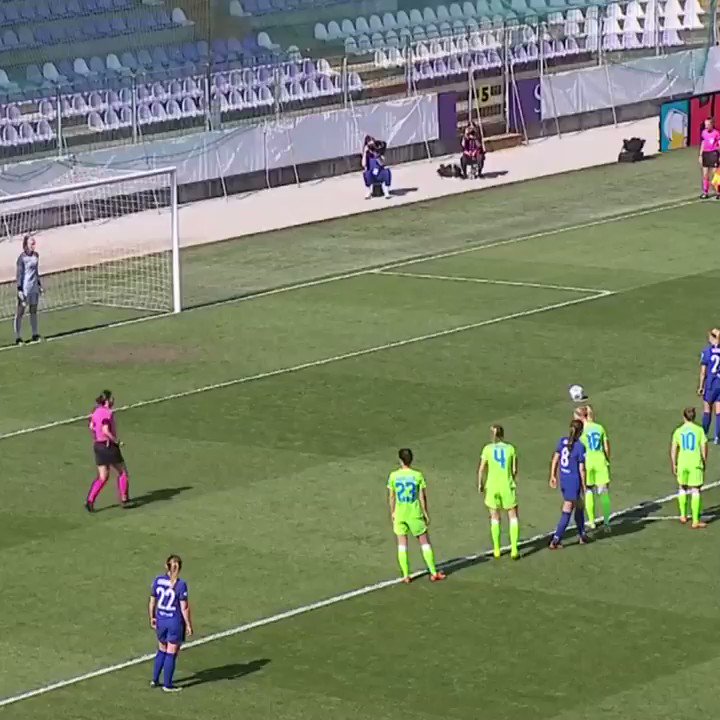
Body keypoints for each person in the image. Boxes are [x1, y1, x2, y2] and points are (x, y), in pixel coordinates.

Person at [387, 448, 445, 583]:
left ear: (400, 460)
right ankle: (433, 572)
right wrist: (425, 513)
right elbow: (422, 497)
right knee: (424, 543)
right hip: (414, 514)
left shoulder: (393, 476)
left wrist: (393, 512)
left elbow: (391, 497)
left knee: (402, 544)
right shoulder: (417, 475)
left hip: (400, 514)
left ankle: (406, 575)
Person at [149, 554, 193, 692]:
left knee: (162, 649)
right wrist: (189, 624)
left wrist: (152, 617)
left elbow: (152, 602)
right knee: (171, 652)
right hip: (174, 622)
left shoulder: (158, 581)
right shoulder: (181, 585)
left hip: (161, 620)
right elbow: (184, 607)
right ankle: (167, 685)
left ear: (166, 566)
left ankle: (155, 680)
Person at [478, 424, 519, 559]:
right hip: (507, 486)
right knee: (512, 516)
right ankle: (514, 549)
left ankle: (497, 549)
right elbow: (514, 470)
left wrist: (480, 484)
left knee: (495, 517)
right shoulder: (510, 449)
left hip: (492, 486)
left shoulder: (487, 449)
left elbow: (481, 469)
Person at [85, 390, 130, 512]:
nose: (113, 400)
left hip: (98, 446)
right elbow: (105, 429)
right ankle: (124, 498)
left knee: (103, 477)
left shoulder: (95, 412)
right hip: (108, 445)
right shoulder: (107, 413)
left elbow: (92, 426)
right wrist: (116, 441)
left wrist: (97, 435)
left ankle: (90, 500)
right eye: (112, 398)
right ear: (107, 400)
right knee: (123, 472)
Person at [549, 419, 588, 549]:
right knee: (568, 508)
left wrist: (553, 475)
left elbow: (555, 459)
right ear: (581, 432)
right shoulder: (580, 447)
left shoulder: (562, 441)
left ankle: (582, 535)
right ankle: (556, 539)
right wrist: (584, 486)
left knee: (580, 505)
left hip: (564, 479)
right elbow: (582, 469)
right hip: (574, 481)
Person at [575, 405, 612, 531]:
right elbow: (606, 447)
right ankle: (607, 521)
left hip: (587, 463)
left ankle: (591, 522)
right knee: (604, 493)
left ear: (581, 417)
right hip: (600, 461)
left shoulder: (580, 431)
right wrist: (607, 459)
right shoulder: (599, 428)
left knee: (588, 490)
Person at [670, 407, 708, 528]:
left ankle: (682, 515)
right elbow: (704, 446)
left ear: (684, 417)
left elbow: (674, 449)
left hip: (682, 463)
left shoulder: (678, 431)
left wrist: (674, 463)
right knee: (695, 490)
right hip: (695, 463)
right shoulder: (699, 430)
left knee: (682, 487)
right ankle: (695, 521)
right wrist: (704, 460)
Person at [14, 234, 43, 345]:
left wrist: (39, 285)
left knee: (33, 310)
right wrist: (19, 289)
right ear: (26, 245)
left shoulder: (36, 256)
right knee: (20, 312)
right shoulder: (22, 258)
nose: (33, 245)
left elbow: (36, 272)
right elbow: (19, 274)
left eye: (34, 243)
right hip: (25, 288)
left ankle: (35, 334)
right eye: (31, 243)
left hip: (33, 287)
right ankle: (18, 337)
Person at [698, 328, 720, 443]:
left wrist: (701, 386)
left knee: (707, 409)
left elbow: (703, 372)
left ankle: (704, 434)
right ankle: (718, 437)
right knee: (719, 411)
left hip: (711, 384)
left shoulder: (707, 351)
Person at [699, 118, 720, 199]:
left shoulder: (716, 133)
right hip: (706, 154)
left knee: (715, 174)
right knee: (705, 175)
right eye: (705, 125)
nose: (706, 126)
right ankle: (705, 192)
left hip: (713, 154)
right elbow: (703, 143)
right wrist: (700, 155)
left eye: (708, 125)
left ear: (712, 125)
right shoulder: (703, 133)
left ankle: (718, 192)